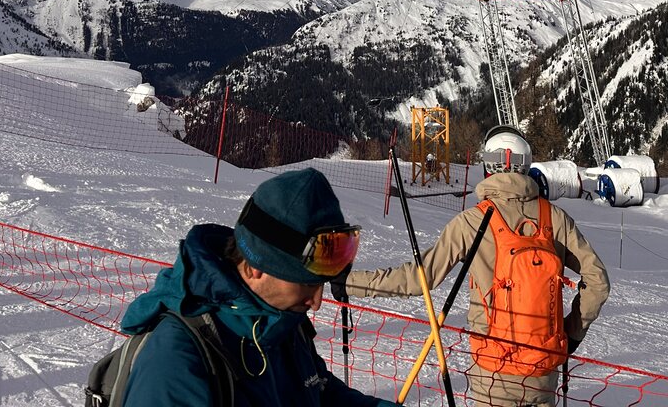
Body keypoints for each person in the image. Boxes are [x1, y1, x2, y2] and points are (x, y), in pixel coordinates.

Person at [346, 126, 610, 407]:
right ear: (526, 165)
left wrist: (347, 281)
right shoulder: (555, 218)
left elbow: (416, 279)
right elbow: (598, 281)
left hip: (492, 374)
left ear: (487, 167)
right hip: (543, 370)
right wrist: (570, 335)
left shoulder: (471, 222)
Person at [120, 168, 393, 407]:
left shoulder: (282, 321)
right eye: (307, 284)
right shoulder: (175, 364)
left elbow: (319, 393)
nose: (317, 301)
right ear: (256, 266)